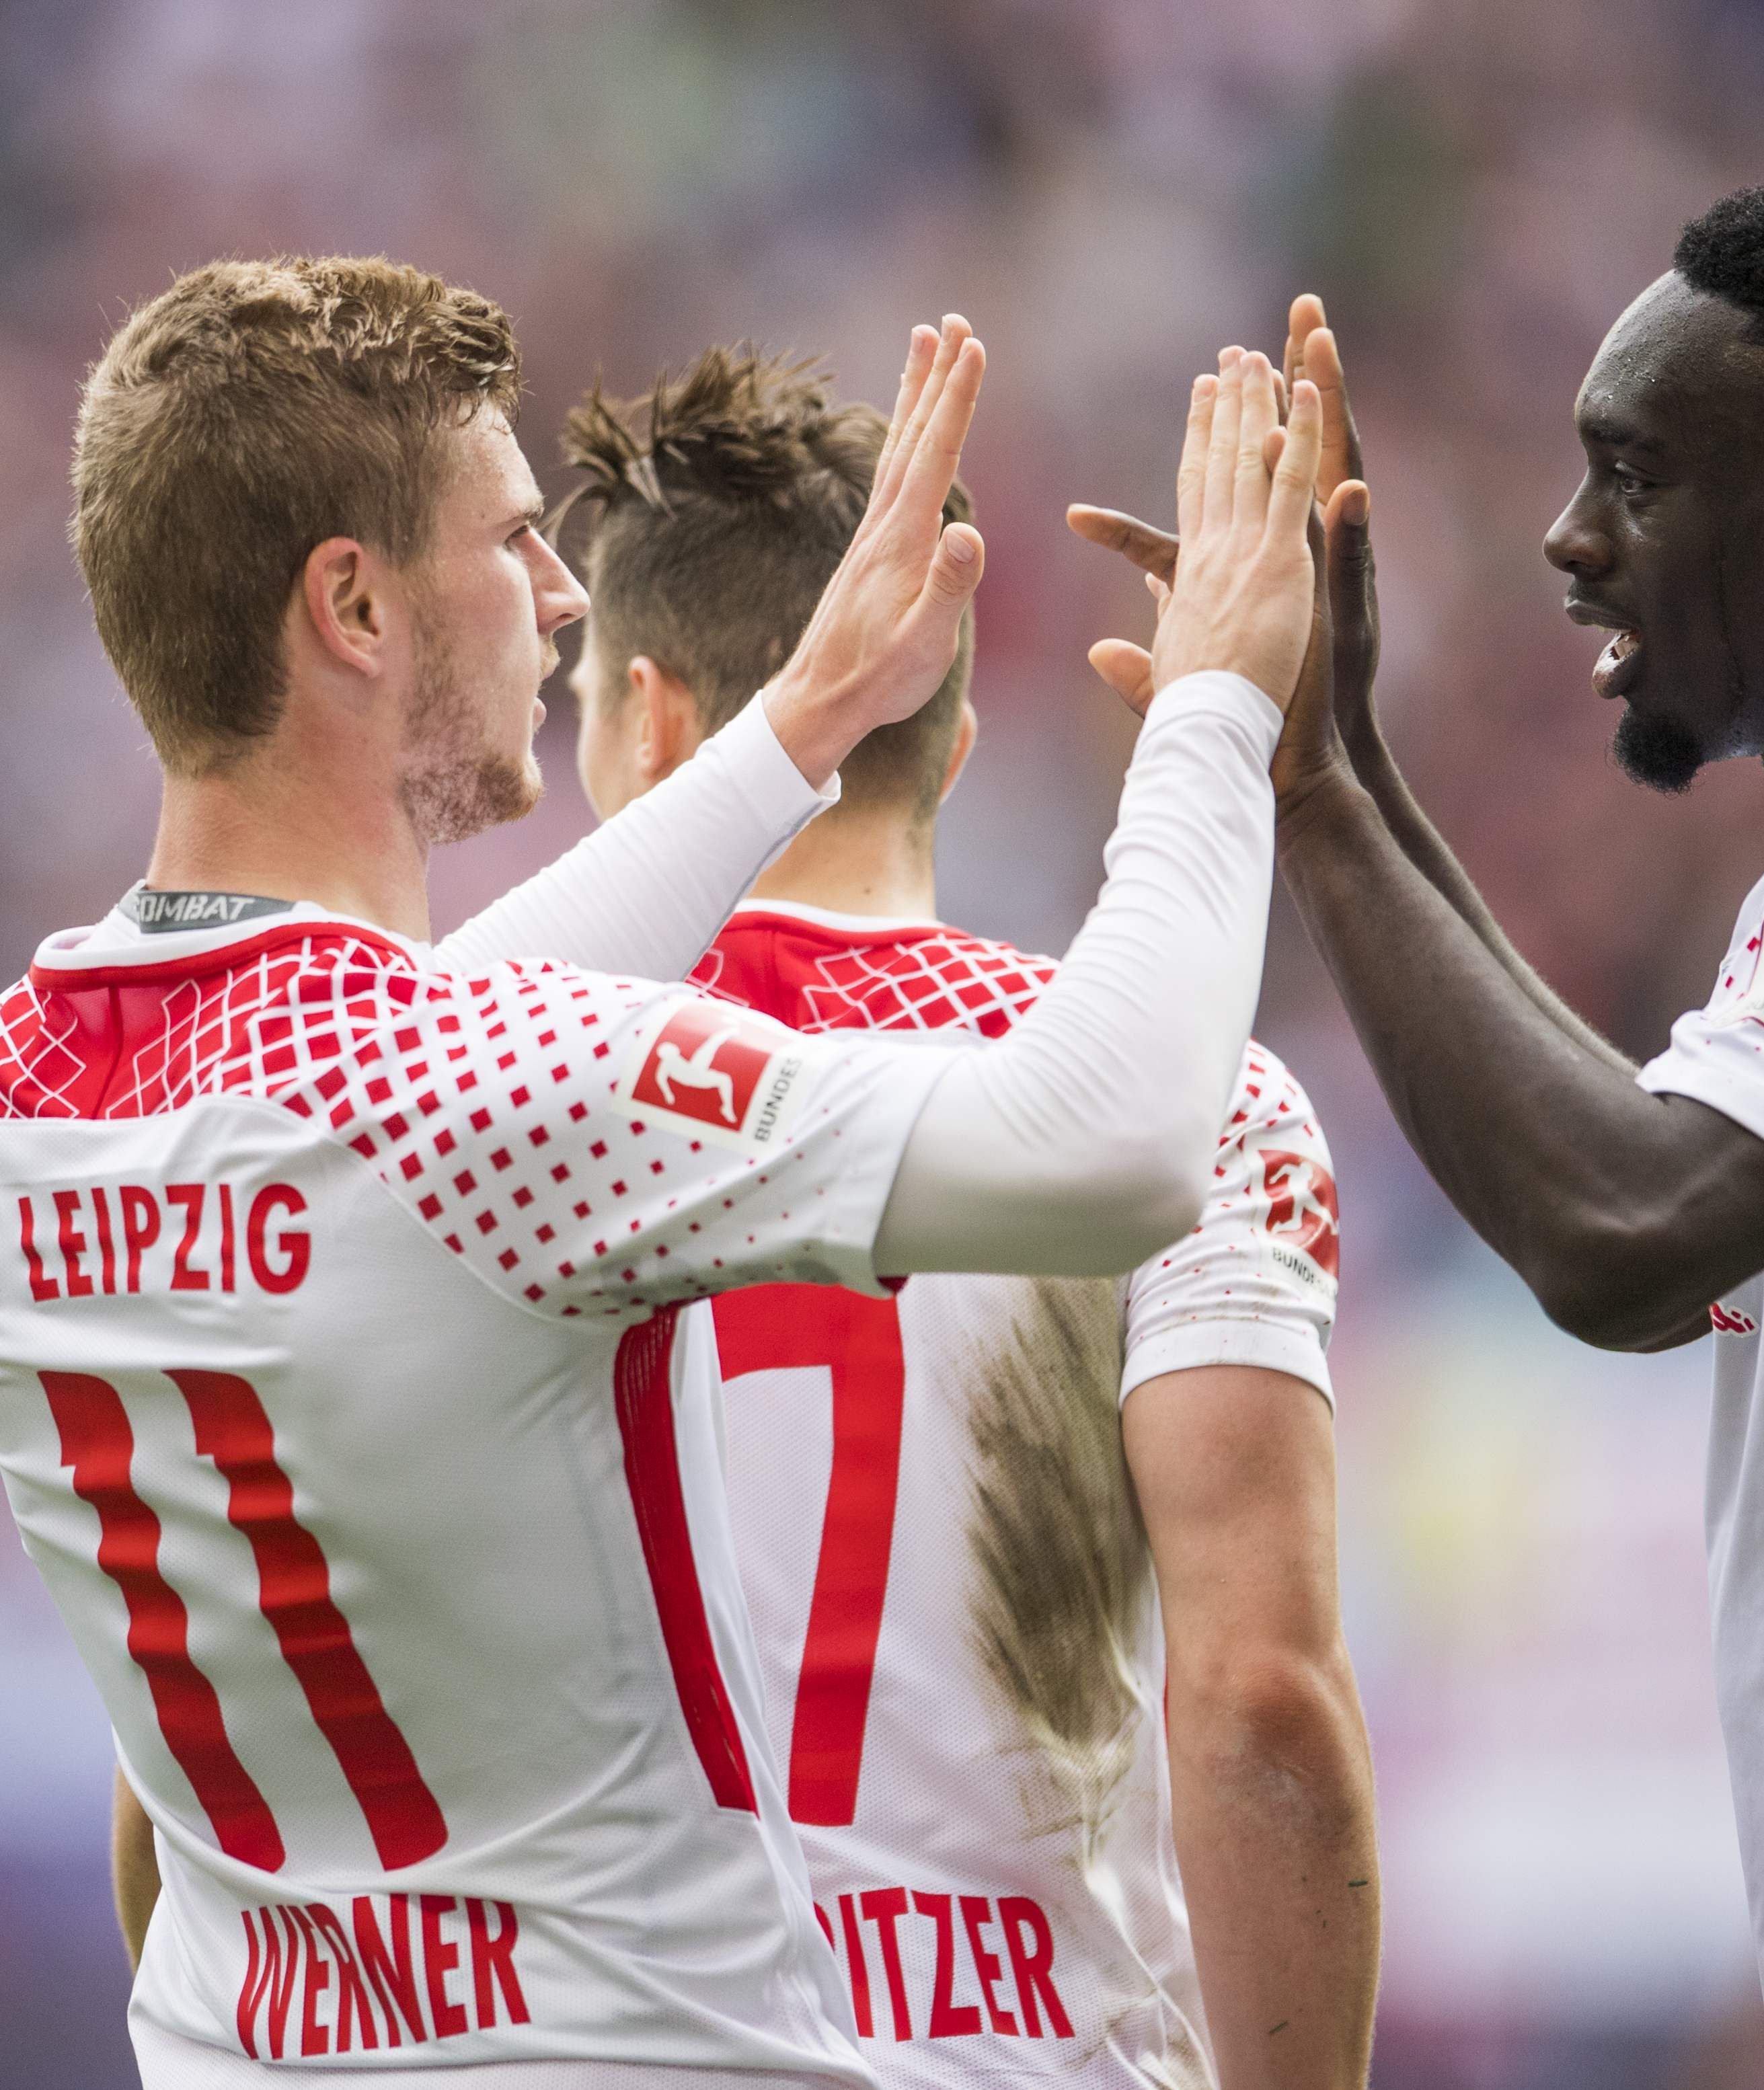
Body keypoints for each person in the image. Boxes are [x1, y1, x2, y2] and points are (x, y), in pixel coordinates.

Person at [0, 256, 1326, 2087]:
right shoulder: (468, 1096)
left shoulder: (53, 1081)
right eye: (514, 537)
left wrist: (793, 725)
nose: (560, 595)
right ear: (356, 604)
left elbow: (407, 1062)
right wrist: (1214, 716)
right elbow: (1110, 1144)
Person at [1077, 175, 1764, 2090]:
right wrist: (1347, 753)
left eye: (1637, 475)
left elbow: (1615, 1227)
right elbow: (1642, 1196)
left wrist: (1303, 785)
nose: (1569, 538)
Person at [555, 346, 1379, 2090]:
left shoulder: (470, 1099)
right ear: (956, 733)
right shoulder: (1190, 1098)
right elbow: (1259, 1701)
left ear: (650, 719)